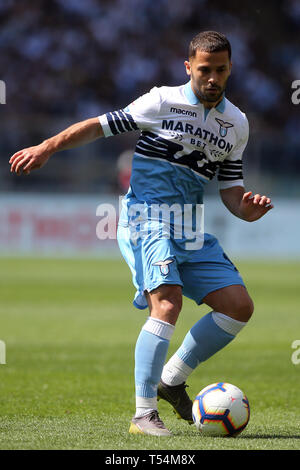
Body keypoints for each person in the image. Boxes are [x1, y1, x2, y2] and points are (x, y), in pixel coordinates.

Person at [9, 31, 273, 437]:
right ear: (189, 67)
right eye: (205, 69)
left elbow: (231, 192)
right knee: (166, 303)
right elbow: (98, 127)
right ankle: (143, 413)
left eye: (220, 70)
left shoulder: (236, 124)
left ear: (230, 68)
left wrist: (247, 211)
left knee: (239, 306)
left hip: (189, 226)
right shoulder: (162, 100)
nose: (213, 78)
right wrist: (47, 146)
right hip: (146, 218)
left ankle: (172, 378)